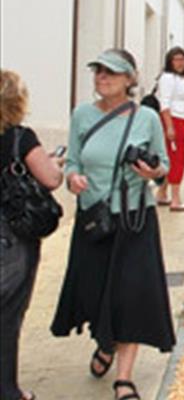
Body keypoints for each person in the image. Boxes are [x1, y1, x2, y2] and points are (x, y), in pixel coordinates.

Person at [51, 49, 175, 400]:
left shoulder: (146, 117)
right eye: (98, 71)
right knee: (94, 290)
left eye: (112, 72)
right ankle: (105, 341)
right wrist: (72, 178)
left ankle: (124, 378)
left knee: (129, 297)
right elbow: (73, 161)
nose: (102, 77)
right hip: (95, 219)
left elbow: (164, 166)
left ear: (129, 79)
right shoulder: (82, 114)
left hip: (135, 219)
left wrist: (152, 172)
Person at [1, 70, 64, 400]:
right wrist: (56, 163)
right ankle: (8, 390)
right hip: (11, 239)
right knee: (7, 316)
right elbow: (51, 179)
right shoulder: (19, 138)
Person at [155, 47, 184, 212]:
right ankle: (176, 199)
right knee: (178, 160)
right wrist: (169, 126)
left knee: (171, 158)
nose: (180, 63)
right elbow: (164, 103)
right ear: (170, 62)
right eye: (176, 59)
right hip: (173, 121)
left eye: (182, 59)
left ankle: (162, 193)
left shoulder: (181, 79)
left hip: (182, 121)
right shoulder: (168, 78)